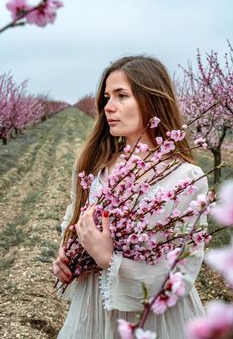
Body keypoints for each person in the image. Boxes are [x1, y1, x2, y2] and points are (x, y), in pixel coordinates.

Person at [52, 55, 208, 339]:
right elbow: (72, 219)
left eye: (122, 96)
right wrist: (67, 254)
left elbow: (182, 271)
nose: (108, 107)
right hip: (93, 309)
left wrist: (108, 259)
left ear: (152, 100)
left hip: (153, 318)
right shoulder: (92, 165)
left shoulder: (186, 178)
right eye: (107, 97)